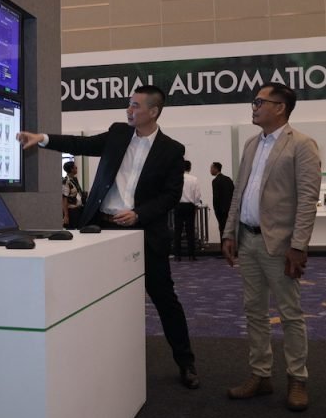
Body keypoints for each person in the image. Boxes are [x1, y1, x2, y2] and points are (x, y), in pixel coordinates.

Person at [17, 85, 199, 389]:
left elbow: (170, 195)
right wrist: (43, 138)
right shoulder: (117, 134)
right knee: (98, 297)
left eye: (135, 105)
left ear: (153, 111)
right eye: (129, 104)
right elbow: (81, 143)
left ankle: (186, 361)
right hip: (103, 228)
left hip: (145, 232)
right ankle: (96, 363)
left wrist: (139, 213)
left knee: (164, 298)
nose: (129, 110)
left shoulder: (172, 149)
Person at [221, 82, 321, 411]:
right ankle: (260, 374)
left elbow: (307, 200)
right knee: (254, 311)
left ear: (280, 107)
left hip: (280, 244)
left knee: (290, 313)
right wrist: (229, 232)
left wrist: (299, 245)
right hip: (247, 239)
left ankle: (297, 378)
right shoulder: (252, 144)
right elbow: (239, 192)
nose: (254, 107)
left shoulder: (302, 145)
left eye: (259, 101)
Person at [173, 160, 202, 261]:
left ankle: (177, 255)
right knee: (190, 231)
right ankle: (191, 255)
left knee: (177, 231)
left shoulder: (176, 178)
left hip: (178, 206)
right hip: (189, 206)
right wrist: (197, 204)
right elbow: (197, 194)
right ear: (190, 168)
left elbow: (173, 193)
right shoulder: (194, 179)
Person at [210, 162, 234, 241]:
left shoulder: (215, 181)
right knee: (230, 230)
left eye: (211, 168)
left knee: (222, 230)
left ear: (216, 169)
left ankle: (223, 246)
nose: (210, 170)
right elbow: (233, 193)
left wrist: (216, 210)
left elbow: (216, 198)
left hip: (221, 211)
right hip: (230, 209)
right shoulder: (228, 179)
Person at [61, 160, 85, 228]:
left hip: (77, 209)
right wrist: (66, 215)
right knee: (72, 229)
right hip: (71, 211)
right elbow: (64, 199)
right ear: (71, 169)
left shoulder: (74, 179)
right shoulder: (66, 182)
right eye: (75, 167)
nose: (76, 167)